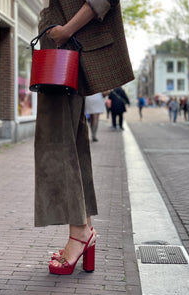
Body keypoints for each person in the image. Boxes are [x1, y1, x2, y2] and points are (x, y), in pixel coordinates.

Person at [35, 0, 134, 275]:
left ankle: (78, 234)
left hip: (69, 48)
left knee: (55, 142)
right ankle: (83, 229)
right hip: (62, 50)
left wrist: (65, 31)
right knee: (70, 142)